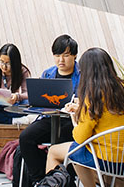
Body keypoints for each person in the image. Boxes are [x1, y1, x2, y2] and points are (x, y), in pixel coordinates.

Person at [45, 47, 124, 187]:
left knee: (55, 151)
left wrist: (75, 117)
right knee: (77, 153)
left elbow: (79, 137)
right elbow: (110, 114)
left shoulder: (94, 96)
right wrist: (82, 110)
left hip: (108, 160)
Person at [12, 34, 81, 187]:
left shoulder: (82, 75)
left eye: (66, 55)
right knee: (25, 138)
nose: (60, 60)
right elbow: (39, 101)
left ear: (75, 55)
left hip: (72, 122)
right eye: (57, 55)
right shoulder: (48, 73)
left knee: (61, 142)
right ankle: (41, 179)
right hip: (49, 118)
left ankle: (63, 180)